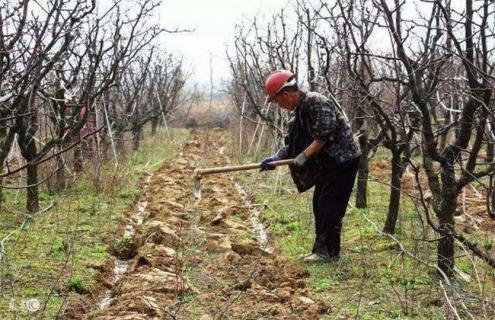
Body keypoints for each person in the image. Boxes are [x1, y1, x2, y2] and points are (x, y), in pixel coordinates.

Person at [260, 70, 361, 263]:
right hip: (328, 163)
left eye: (278, 101)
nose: (280, 106)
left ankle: (328, 253)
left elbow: (323, 136)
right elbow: (292, 145)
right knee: (319, 204)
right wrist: (275, 158)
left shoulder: (316, 102)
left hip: (343, 160)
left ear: (286, 95)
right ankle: (320, 250)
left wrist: (304, 156)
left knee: (329, 205)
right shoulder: (297, 113)